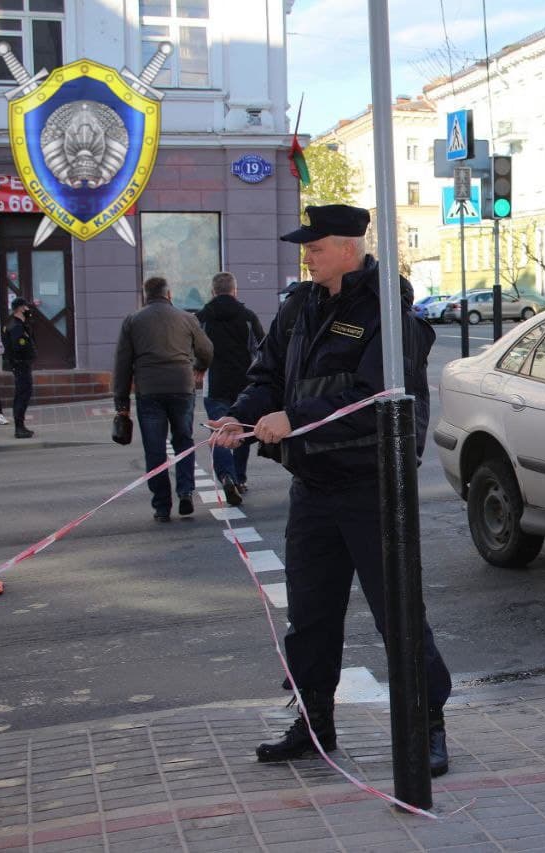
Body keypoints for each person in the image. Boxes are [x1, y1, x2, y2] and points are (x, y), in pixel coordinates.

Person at [207, 204, 453, 776]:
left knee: (399, 614)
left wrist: (294, 417)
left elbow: (377, 399)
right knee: (312, 616)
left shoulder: (390, 315)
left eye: (315, 248)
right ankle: (315, 722)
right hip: (314, 486)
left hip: (374, 489)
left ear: (347, 247)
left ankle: (427, 725)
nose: (307, 257)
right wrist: (240, 418)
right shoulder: (300, 306)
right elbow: (266, 372)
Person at [113, 277, 213, 522]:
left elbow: (122, 364)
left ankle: (161, 505)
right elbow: (207, 349)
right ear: (169, 295)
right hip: (181, 385)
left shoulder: (133, 321)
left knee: (155, 449)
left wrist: (122, 404)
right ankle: (186, 492)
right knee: (183, 441)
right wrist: (199, 367)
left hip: (149, 391)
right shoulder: (187, 318)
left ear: (146, 296)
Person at [196, 272, 265, 506]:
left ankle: (227, 476)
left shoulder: (202, 317)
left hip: (214, 385)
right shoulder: (247, 316)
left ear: (213, 291)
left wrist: (199, 368)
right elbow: (261, 349)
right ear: (235, 291)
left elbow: (196, 349)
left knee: (220, 433)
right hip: (244, 383)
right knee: (240, 430)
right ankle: (241, 477)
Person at [5, 298, 37, 439]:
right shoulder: (16, 326)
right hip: (20, 364)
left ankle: (21, 426)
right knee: (22, 395)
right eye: (26, 307)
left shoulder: (19, 324)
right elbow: (18, 346)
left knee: (24, 394)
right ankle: (19, 428)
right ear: (20, 308)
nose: (28, 309)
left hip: (22, 364)